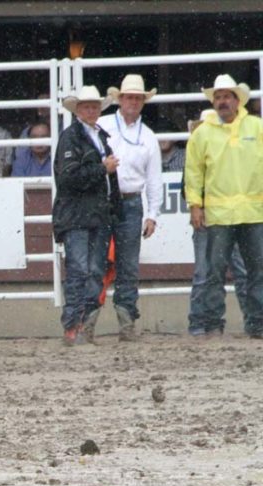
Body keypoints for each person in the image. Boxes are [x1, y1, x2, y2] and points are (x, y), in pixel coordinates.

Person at [184, 74, 263, 339]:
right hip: (219, 214)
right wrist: (195, 205)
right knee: (215, 273)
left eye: (226, 96)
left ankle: (256, 323)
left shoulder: (256, 127)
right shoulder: (202, 133)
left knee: (256, 270)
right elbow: (193, 171)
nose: (222, 101)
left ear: (237, 100)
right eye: (218, 97)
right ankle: (213, 323)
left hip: (253, 211)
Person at [86, 74, 162, 342]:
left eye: (137, 98)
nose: (133, 102)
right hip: (105, 199)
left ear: (142, 102)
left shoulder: (148, 136)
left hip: (130, 201)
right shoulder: (103, 126)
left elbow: (154, 180)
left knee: (127, 265)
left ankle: (124, 322)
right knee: (96, 263)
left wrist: (152, 214)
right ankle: (89, 321)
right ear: (120, 99)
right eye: (129, 97)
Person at [52, 85, 119, 346]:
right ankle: (75, 325)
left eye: (94, 106)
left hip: (90, 213)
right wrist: (101, 170)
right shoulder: (76, 137)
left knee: (91, 271)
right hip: (81, 214)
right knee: (84, 270)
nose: (92, 110)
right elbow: (68, 178)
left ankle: (78, 324)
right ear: (79, 110)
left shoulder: (92, 136)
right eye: (87, 106)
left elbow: (70, 177)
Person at [185, 109, 246, 336]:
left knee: (209, 271)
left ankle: (203, 322)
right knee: (216, 271)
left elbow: (190, 184)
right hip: (222, 217)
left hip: (226, 216)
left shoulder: (214, 152)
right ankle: (248, 320)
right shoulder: (216, 150)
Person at [11, 92, 51, 172]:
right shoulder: (22, 161)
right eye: (34, 137)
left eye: (43, 137)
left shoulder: (58, 160)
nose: (39, 142)